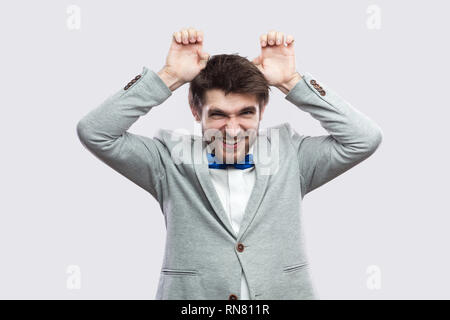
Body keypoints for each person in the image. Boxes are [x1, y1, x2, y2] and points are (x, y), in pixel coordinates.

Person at [76, 27, 383, 300]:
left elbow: (364, 138)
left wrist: (291, 81)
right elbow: (95, 131)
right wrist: (169, 77)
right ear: (197, 112)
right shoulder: (166, 161)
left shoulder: (293, 155)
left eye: (246, 113)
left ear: (262, 110)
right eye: (219, 115)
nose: (233, 130)